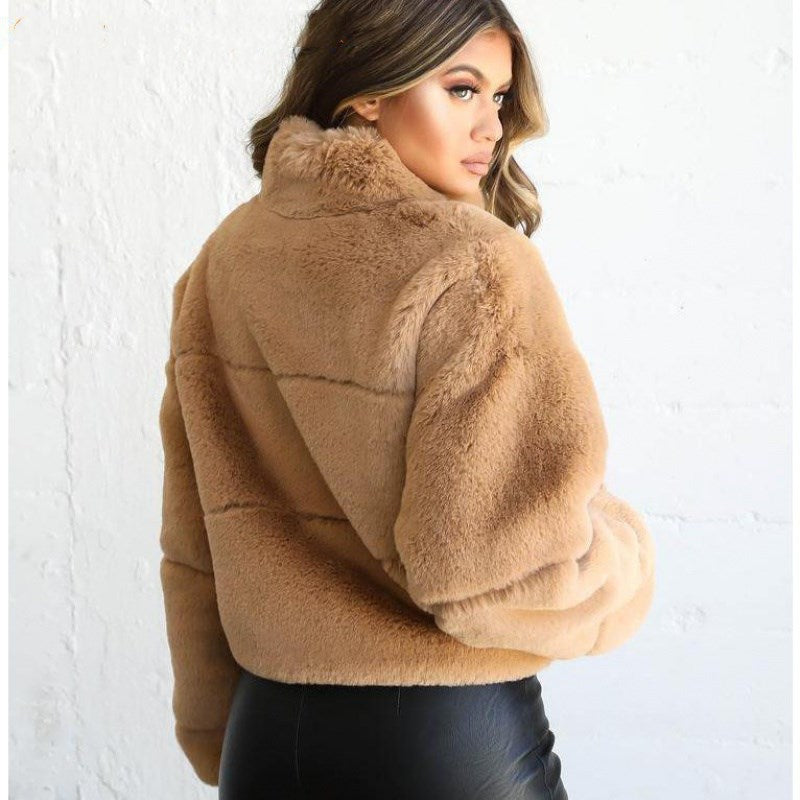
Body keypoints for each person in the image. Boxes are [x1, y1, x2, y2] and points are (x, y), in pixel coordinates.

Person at [157, 0, 656, 797]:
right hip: (442, 741)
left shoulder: (224, 259)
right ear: (368, 92)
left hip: (267, 736)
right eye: (461, 89)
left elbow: (195, 547)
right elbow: (493, 575)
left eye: (498, 96)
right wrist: (623, 558)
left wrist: (215, 730)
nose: (491, 126)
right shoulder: (475, 263)